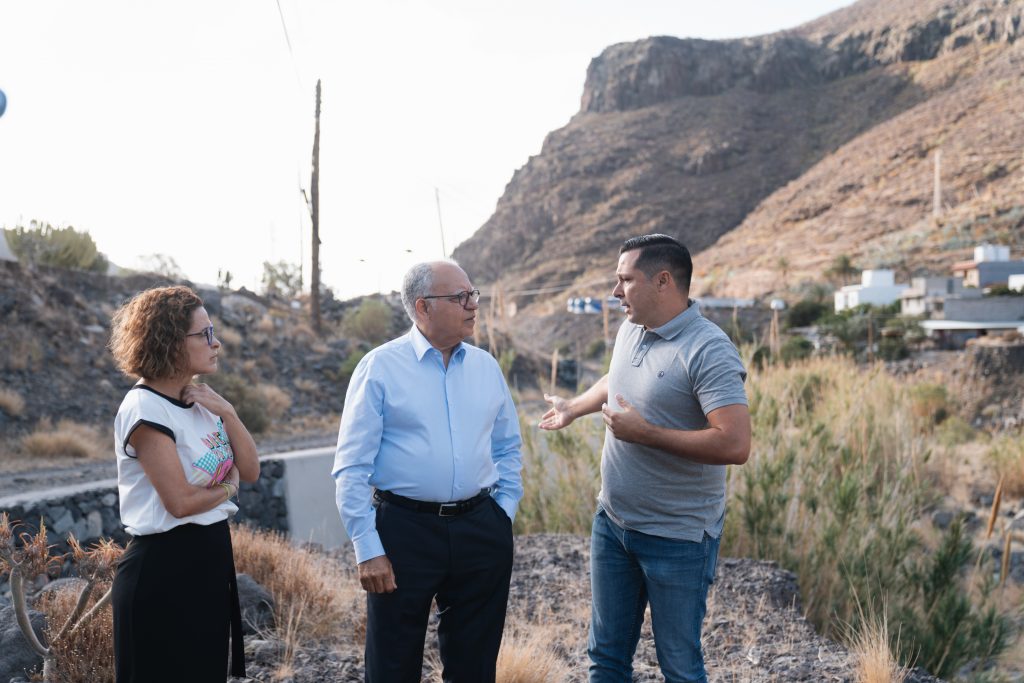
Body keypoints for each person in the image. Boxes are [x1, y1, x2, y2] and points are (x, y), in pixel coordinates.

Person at [540, 234, 751, 683]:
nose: (615, 292)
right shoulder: (632, 329)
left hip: (677, 538)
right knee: (606, 658)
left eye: (624, 280)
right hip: (613, 525)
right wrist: (574, 408)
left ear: (662, 281)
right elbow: (616, 378)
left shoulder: (708, 349)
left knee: (679, 666)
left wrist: (647, 434)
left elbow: (734, 444)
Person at [333, 260, 523, 683]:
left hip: (481, 529)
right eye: (461, 297)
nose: (473, 304)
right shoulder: (379, 368)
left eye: (473, 294)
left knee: (475, 666)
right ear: (423, 307)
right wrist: (367, 546)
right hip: (404, 533)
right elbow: (351, 465)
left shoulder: (486, 368)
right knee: (392, 666)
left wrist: (503, 511)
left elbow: (508, 446)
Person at [108, 285, 260, 683]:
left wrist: (227, 411)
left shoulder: (202, 402)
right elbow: (178, 501)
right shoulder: (144, 407)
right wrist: (228, 490)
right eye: (205, 334)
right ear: (172, 341)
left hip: (205, 563)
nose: (217, 343)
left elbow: (252, 469)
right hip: (163, 571)